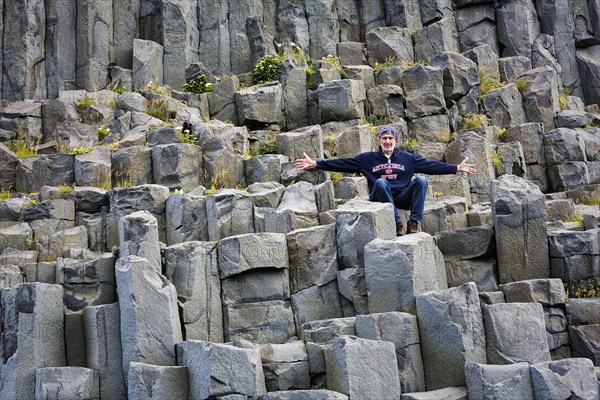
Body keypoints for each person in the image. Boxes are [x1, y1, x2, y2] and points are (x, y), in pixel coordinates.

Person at [295, 125, 477, 236]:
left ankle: (413, 223)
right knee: (381, 182)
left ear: (395, 141)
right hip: (380, 197)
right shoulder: (367, 159)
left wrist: (456, 168)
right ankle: (397, 223)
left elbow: (431, 166)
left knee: (421, 181)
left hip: (403, 197)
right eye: (384, 138)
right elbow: (342, 163)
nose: (388, 141)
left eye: (391, 138)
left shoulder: (408, 158)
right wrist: (317, 163)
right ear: (380, 141)